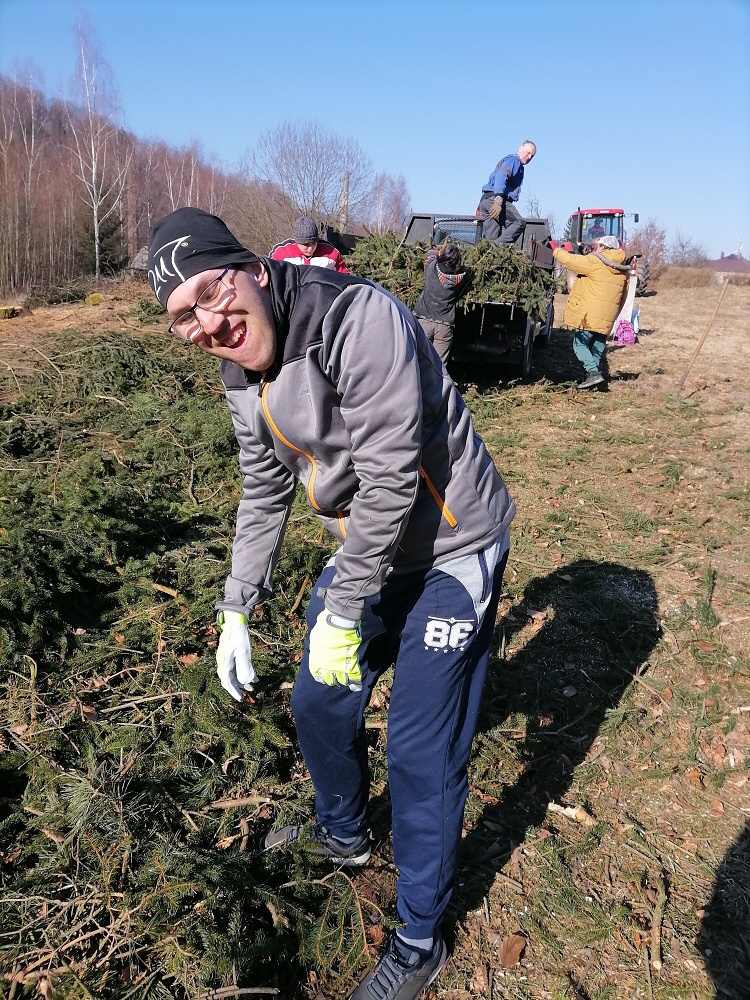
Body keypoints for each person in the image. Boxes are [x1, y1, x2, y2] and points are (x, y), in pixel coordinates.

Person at [147, 207, 515, 1000]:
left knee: (418, 750)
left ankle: (420, 939)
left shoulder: (356, 318)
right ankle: (344, 834)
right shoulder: (239, 371)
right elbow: (264, 488)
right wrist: (236, 607)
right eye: (183, 318)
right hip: (372, 554)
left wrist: (342, 609)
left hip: (453, 545)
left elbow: (390, 476)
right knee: (317, 702)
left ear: (251, 269)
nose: (207, 324)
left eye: (211, 293)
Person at [552, 235, 631, 389]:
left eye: (598, 246)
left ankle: (593, 373)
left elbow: (572, 261)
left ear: (604, 247)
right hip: (607, 317)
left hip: (589, 315)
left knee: (580, 344)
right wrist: (613, 317)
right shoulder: (622, 269)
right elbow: (623, 297)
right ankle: (594, 379)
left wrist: (556, 249)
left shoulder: (596, 261)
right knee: (596, 348)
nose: (596, 248)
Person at [413, 242, 472, 366]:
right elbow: (467, 273)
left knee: (418, 363)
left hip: (424, 322)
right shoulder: (462, 278)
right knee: (438, 367)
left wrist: (436, 251)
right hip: (444, 326)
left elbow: (431, 255)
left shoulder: (431, 267)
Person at [476, 141, 536, 246]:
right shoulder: (514, 160)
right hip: (495, 200)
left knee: (493, 237)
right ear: (520, 149)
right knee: (518, 223)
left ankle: (490, 252)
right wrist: (498, 199)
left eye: (532, 155)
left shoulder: (518, 165)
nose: (530, 157)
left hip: (486, 200)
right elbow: (501, 176)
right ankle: (496, 248)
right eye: (528, 153)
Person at [269, 215, 349, 272]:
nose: (310, 248)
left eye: (314, 243)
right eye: (306, 244)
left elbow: (345, 278)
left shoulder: (331, 252)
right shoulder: (280, 253)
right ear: (297, 241)